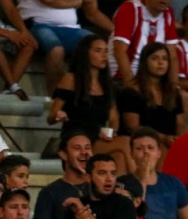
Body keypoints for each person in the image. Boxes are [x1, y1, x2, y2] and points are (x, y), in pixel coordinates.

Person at [49, 36, 131, 168]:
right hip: (77, 136)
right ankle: (142, 180)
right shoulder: (70, 79)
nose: (104, 55)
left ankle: (123, 183)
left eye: (106, 51)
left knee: (119, 156)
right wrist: (58, 115)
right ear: (85, 53)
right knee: (125, 142)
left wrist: (111, 133)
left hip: (99, 137)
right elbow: (51, 117)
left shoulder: (107, 85)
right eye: (98, 51)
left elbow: (114, 119)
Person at [112, 0, 179, 84]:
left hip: (151, 79)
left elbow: (172, 56)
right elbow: (119, 51)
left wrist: (174, 87)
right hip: (123, 78)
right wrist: (132, 84)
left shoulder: (168, 14)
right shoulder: (130, 9)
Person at [118, 42, 187, 146]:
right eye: (155, 58)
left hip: (170, 144)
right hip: (142, 144)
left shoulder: (173, 93)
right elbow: (132, 127)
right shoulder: (131, 92)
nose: (161, 63)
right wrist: (163, 138)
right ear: (144, 62)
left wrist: (180, 141)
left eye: (165, 59)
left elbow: (180, 124)